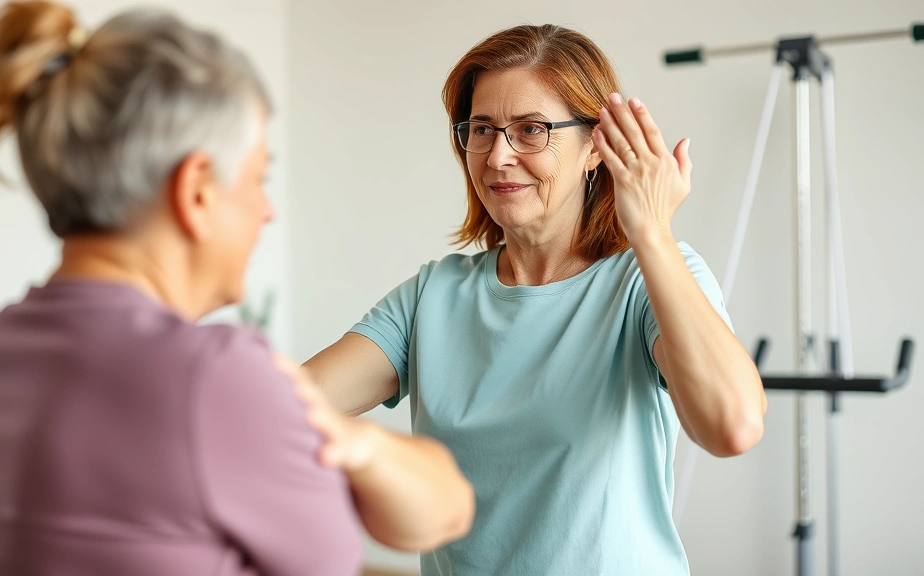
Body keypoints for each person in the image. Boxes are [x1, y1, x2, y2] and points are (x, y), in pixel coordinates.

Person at [0, 2, 473, 575]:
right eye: (258, 178)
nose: (266, 210)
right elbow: (433, 516)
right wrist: (345, 440)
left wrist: (347, 440)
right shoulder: (214, 378)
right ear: (197, 192)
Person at [304, 24, 767, 576]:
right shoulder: (433, 296)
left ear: (596, 146)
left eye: (530, 130)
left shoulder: (647, 279)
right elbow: (283, 413)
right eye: (482, 129)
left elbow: (732, 426)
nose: (498, 156)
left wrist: (652, 234)